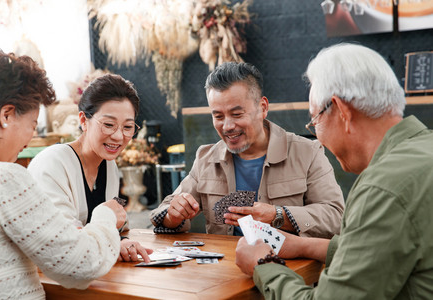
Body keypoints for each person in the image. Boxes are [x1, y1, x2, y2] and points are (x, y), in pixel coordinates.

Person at [235, 43, 433, 299]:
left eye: (314, 120)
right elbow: (381, 247)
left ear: (341, 112)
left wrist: (264, 265)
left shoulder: (383, 187)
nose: (317, 135)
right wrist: (303, 245)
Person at [0, 49, 127, 299]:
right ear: (6, 115)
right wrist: (104, 215)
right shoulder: (3, 178)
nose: (31, 137)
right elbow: (81, 264)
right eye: (32, 124)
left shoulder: (109, 168)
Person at [150, 62, 344, 237]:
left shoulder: (307, 152)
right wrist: (173, 216)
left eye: (237, 114)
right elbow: (163, 211)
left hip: (288, 271)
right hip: (225, 272)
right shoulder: (206, 158)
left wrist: (278, 215)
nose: (227, 126)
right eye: (218, 116)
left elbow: (336, 217)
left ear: (263, 107)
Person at [28, 74, 153, 262]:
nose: (119, 136)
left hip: (88, 270)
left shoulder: (109, 165)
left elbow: (115, 227)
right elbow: (63, 240)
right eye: (109, 125)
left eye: (128, 127)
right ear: (83, 120)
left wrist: (120, 241)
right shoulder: (51, 163)